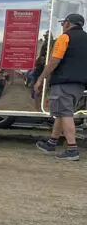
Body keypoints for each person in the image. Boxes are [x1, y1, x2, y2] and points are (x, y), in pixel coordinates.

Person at [34, 13, 86, 161]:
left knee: (65, 113)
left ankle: (72, 149)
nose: (63, 26)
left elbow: (54, 60)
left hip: (64, 81)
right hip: (79, 84)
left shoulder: (65, 38)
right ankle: (52, 142)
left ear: (68, 24)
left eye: (64, 23)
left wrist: (41, 78)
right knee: (62, 113)